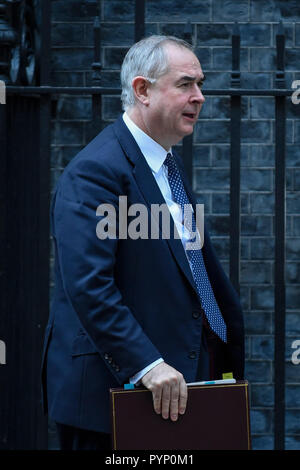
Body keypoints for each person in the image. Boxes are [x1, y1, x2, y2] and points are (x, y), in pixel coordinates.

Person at [41, 35, 244, 450]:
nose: (200, 97)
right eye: (185, 84)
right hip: (113, 404)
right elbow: (89, 285)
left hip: (179, 395)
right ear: (142, 90)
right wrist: (146, 364)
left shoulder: (166, 166)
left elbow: (189, 270)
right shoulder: (96, 172)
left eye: (200, 84)